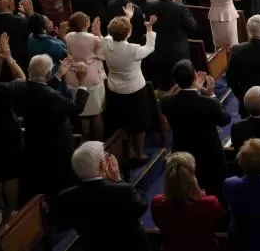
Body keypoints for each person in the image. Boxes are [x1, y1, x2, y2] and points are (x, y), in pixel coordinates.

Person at [7, 54, 89, 200]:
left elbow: (39, 88)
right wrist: (82, 81)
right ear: (48, 74)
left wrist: (58, 75)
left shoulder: (21, 87)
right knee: (60, 185)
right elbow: (76, 108)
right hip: (57, 147)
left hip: (34, 142)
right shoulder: (52, 97)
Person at [56, 141, 149, 251]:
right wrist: (119, 180)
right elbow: (141, 206)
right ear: (103, 165)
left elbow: (62, 225)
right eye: (105, 156)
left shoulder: (66, 196)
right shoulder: (123, 190)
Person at [159, 60, 231, 198]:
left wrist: (197, 89)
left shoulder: (166, 102)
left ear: (176, 81)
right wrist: (210, 94)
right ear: (195, 77)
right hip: (210, 157)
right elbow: (225, 119)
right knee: (216, 193)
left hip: (182, 154)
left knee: (186, 193)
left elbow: (188, 100)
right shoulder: (209, 103)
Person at [102, 15, 158, 163]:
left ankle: (128, 152)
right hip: (135, 91)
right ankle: (139, 153)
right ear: (128, 33)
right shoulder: (134, 49)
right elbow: (150, 47)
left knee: (122, 122)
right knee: (139, 123)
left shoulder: (105, 42)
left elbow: (109, 34)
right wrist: (149, 27)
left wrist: (126, 18)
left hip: (115, 90)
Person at [151, 151, 227, 251]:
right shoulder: (210, 203)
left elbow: (159, 224)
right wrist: (202, 196)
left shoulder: (157, 203)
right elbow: (221, 223)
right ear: (192, 176)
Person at [63, 12, 106, 141]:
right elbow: (104, 55)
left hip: (73, 77)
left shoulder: (68, 36)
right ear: (87, 24)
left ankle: (86, 143)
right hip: (92, 78)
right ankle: (99, 145)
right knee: (96, 113)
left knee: (83, 114)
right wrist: (99, 35)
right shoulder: (94, 39)